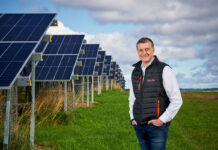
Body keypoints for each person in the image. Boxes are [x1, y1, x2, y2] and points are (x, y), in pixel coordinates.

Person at [129, 37, 183, 150]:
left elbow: (177, 100)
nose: (144, 53)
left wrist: (162, 120)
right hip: (139, 126)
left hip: (157, 127)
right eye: (140, 50)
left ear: (153, 50)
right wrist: (133, 118)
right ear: (137, 52)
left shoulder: (164, 69)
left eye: (147, 49)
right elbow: (133, 98)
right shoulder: (135, 71)